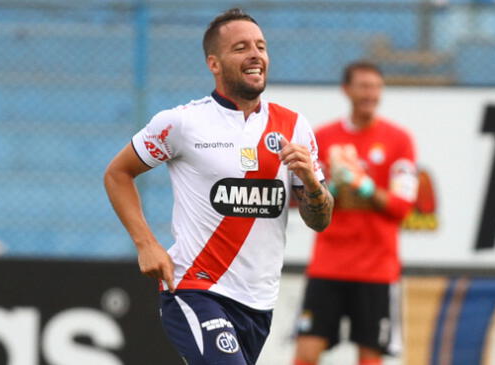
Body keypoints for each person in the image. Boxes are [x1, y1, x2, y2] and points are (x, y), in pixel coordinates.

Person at [103, 8, 333, 365]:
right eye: (241, 48)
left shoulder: (294, 126)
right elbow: (117, 174)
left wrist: (311, 183)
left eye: (261, 46)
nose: (256, 55)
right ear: (214, 63)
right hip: (196, 288)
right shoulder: (182, 123)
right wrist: (146, 243)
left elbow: (320, 220)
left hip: (258, 301)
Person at [293, 61, 418, 365]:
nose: (370, 94)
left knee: (369, 358)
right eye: (363, 86)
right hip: (328, 266)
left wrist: (363, 186)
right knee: (305, 354)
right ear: (346, 89)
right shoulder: (322, 138)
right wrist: (329, 190)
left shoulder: (398, 140)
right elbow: (299, 202)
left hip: (376, 270)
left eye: (375, 87)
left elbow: (402, 207)